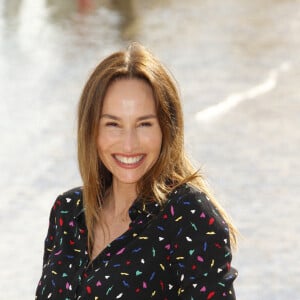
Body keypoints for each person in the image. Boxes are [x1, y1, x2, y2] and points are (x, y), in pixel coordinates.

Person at [35, 42, 238, 299]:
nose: (129, 144)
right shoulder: (67, 211)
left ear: (166, 128)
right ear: (91, 130)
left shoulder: (189, 217)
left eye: (144, 124)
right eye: (113, 124)